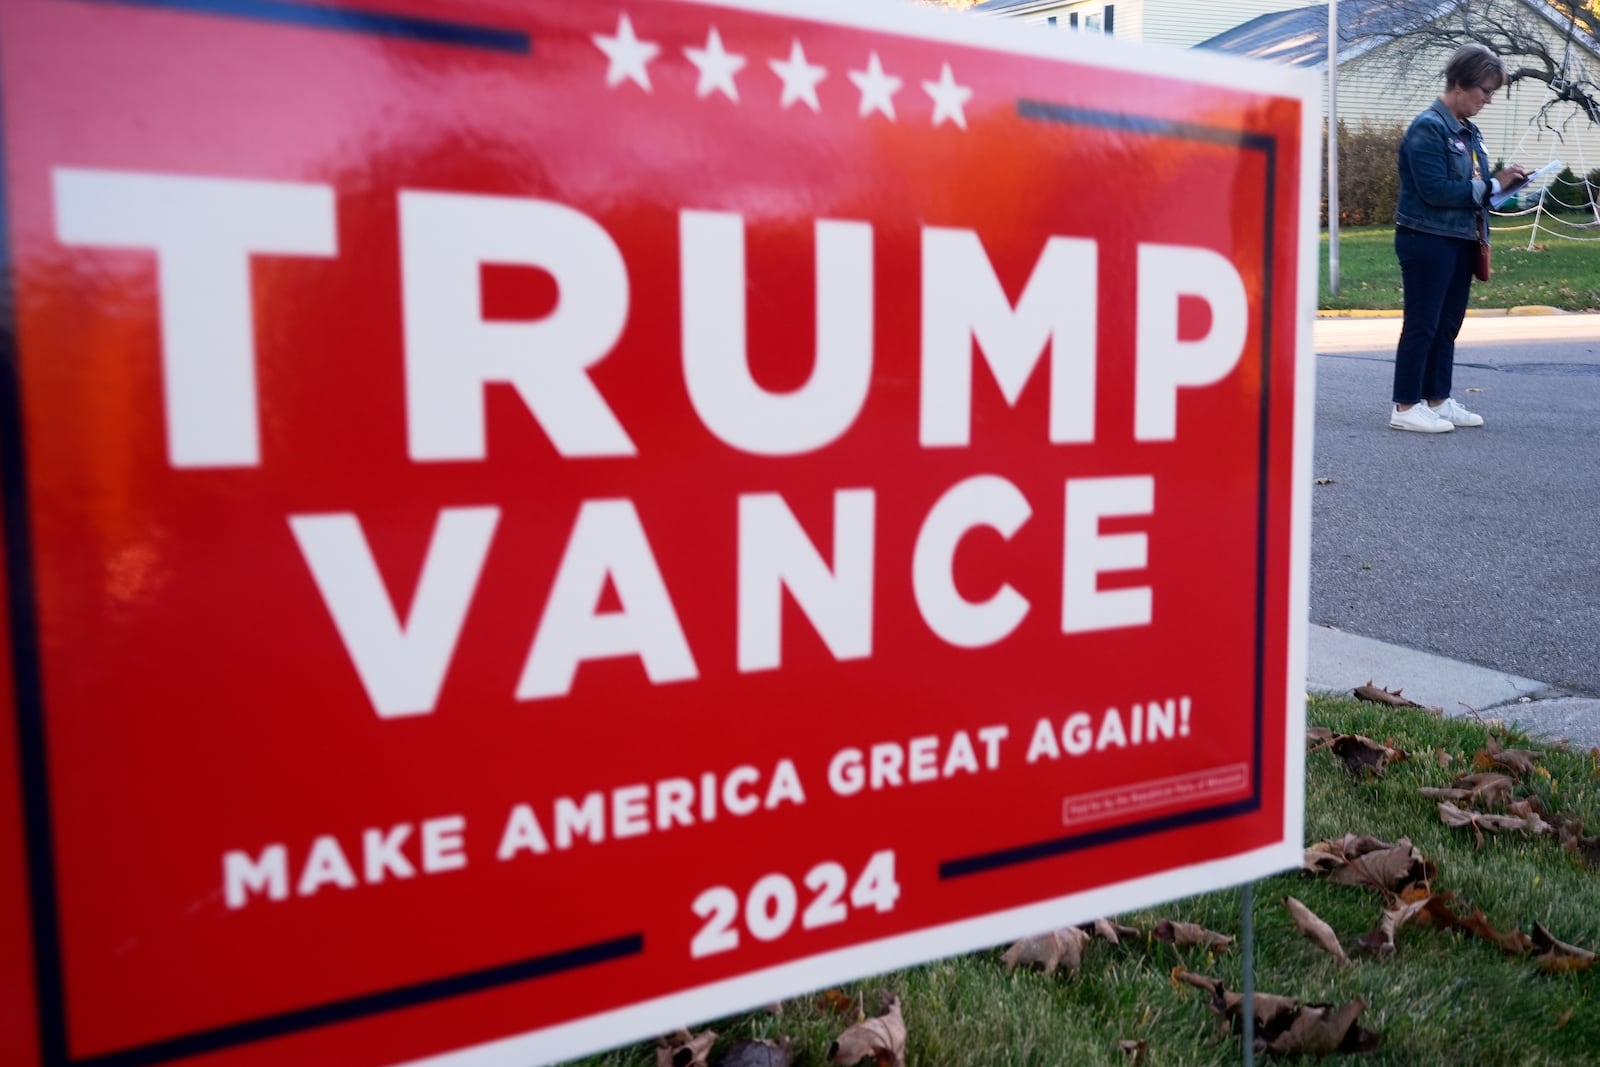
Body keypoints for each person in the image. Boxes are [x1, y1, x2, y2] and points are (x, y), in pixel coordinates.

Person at [1389, 43, 1527, 433]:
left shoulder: (1469, 131)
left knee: (1448, 323)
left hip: (1462, 237)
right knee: (1423, 323)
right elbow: (1435, 189)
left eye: (1492, 92)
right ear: (1460, 84)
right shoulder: (1428, 128)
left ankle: (1437, 399)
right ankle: (1404, 407)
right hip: (1426, 237)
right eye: (1485, 90)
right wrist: (1487, 187)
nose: (1488, 99)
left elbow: (1476, 186)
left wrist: (1505, 185)